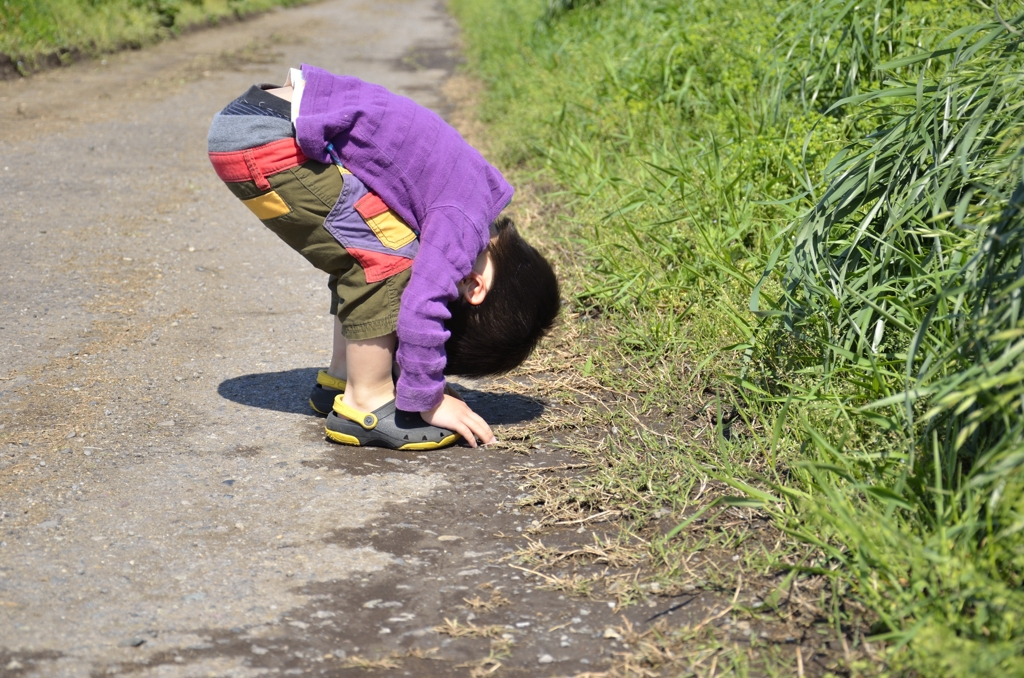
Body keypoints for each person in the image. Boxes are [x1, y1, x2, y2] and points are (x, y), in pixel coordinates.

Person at [207, 65, 560, 451]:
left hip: (262, 119)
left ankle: (344, 377)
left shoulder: (479, 192)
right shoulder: (460, 226)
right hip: (266, 141)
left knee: (369, 239)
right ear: (475, 288)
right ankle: (366, 402)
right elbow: (421, 306)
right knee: (387, 262)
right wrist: (428, 397)